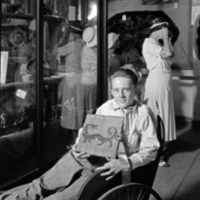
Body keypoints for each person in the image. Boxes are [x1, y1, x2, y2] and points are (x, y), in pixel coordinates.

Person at [0, 67, 159, 200]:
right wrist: (80, 146)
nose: (121, 95)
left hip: (110, 168)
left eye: (126, 89)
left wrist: (125, 164)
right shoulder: (107, 107)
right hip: (87, 156)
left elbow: (151, 150)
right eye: (116, 90)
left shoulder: (143, 114)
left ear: (135, 89)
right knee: (41, 184)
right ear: (111, 91)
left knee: (61, 197)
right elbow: (88, 130)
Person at [142, 17, 176, 167]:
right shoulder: (149, 43)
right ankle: (156, 154)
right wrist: (165, 35)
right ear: (159, 29)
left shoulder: (158, 44)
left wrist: (166, 38)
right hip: (156, 86)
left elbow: (171, 54)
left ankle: (159, 150)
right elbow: (168, 54)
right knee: (157, 117)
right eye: (165, 30)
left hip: (164, 87)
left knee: (163, 117)